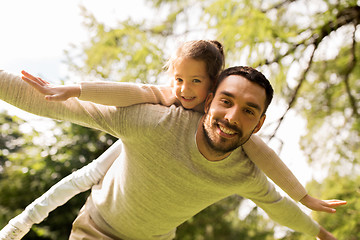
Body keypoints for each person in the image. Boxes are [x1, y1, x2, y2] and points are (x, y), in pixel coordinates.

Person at [1, 40, 345, 239]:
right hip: (98, 230)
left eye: (248, 111)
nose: (232, 118)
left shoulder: (245, 169)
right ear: (211, 101)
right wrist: (70, 88)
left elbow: (280, 207)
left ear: (259, 123)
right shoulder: (153, 118)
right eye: (226, 102)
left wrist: (319, 232)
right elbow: (63, 106)